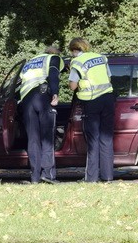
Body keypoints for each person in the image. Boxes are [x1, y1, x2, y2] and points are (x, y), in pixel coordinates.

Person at [67, 37, 114, 182]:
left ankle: (91, 178)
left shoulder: (77, 62)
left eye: (72, 51)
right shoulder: (101, 57)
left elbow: (73, 86)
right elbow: (109, 77)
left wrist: (71, 75)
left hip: (92, 101)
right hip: (108, 99)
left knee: (93, 140)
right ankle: (107, 177)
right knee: (106, 138)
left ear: (75, 50)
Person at [18, 45, 61, 184]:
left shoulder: (30, 62)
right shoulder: (53, 58)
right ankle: (48, 174)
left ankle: (35, 177)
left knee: (33, 139)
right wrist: (55, 93)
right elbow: (54, 75)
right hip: (42, 98)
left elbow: (19, 82)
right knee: (47, 137)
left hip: (26, 101)